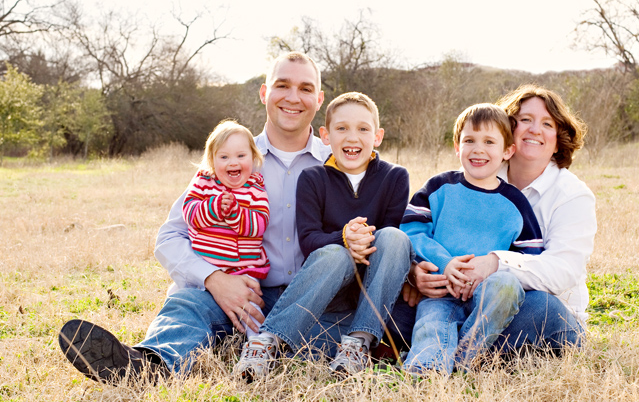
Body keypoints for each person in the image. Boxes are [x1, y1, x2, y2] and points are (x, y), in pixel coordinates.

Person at [58, 51, 330, 383]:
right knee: (189, 305)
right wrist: (215, 280)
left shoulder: (337, 162)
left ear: (319, 99)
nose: (292, 97)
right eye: (282, 85)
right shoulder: (231, 158)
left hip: (312, 298)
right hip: (244, 290)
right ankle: (147, 366)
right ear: (264, 93)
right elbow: (170, 239)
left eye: (305, 88)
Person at [403, 85, 596, 357]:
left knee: (543, 308)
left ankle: (453, 349)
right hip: (450, 296)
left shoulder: (573, 195)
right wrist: (417, 274)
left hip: (526, 306)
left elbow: (563, 272)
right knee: (412, 306)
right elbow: (425, 231)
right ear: (509, 130)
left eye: (547, 123)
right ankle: (451, 352)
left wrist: (495, 263)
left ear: (559, 136)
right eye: (525, 120)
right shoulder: (476, 173)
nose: (535, 130)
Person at [233, 92, 411, 379]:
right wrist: (344, 238)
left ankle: (358, 345)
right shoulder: (313, 179)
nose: (352, 138)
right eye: (342, 128)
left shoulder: (394, 177)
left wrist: (362, 240)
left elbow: (392, 253)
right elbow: (309, 240)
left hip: (371, 302)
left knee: (395, 238)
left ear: (377, 136)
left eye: (363, 129)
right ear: (326, 136)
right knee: (334, 253)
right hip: (326, 299)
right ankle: (267, 342)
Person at [400, 103, 543, 374]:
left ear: (507, 151)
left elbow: (530, 257)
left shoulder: (515, 203)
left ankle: (467, 358)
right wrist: (445, 263)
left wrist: (492, 269)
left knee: (507, 284)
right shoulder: (439, 187)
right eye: (469, 140)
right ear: (457, 146)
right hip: (440, 292)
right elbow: (412, 231)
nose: (478, 149)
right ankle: (426, 370)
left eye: (489, 141)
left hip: (486, 296)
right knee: (431, 327)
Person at [183, 120, 269, 336]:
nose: (233, 162)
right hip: (205, 269)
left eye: (241, 156)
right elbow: (190, 213)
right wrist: (213, 207)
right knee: (180, 301)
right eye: (224, 157)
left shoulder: (255, 187)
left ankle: (256, 346)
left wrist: (235, 214)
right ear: (212, 161)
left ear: (253, 157)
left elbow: (259, 225)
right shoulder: (204, 182)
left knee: (252, 312)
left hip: (243, 272)